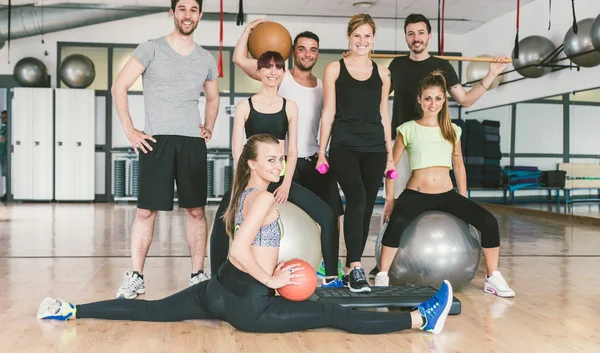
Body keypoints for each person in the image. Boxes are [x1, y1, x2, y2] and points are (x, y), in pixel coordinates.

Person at [37, 134, 454, 337]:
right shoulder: (264, 201)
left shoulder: (244, 192)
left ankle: (69, 310)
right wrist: (273, 281)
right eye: (271, 159)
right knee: (334, 316)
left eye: (281, 157)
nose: (280, 164)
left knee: (152, 311)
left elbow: (236, 255)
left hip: (217, 292)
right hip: (250, 310)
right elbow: (238, 250)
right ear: (253, 164)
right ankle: (421, 318)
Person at [370, 13, 509, 279]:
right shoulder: (396, 66)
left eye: (420, 33)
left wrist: (491, 74)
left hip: (435, 142)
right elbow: (375, 99)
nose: (416, 38)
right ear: (406, 37)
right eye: (410, 33)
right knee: (393, 213)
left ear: (429, 36)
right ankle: (384, 266)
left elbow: (466, 100)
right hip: (406, 142)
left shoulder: (444, 66)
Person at [111, 0, 220, 299]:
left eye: (193, 10)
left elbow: (213, 98)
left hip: (191, 143)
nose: (188, 15)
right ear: (173, 13)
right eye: (182, 9)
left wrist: (209, 126)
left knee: (196, 211)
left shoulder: (205, 58)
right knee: (146, 212)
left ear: (200, 16)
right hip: (155, 141)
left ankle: (198, 275)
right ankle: (135, 277)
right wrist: (130, 130)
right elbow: (119, 86)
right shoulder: (151, 48)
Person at [375, 71, 515, 298]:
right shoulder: (407, 129)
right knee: (396, 224)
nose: (433, 103)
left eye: (438, 98)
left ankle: (493, 276)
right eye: (428, 98)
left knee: (489, 221)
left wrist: (463, 196)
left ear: (444, 100)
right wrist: (389, 199)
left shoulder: (452, 130)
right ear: (419, 99)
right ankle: (383, 275)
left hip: (447, 195)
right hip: (415, 194)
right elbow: (391, 167)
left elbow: (459, 165)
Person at [210, 51, 343, 288]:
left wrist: (285, 183)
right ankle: (215, 281)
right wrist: (248, 185)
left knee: (328, 215)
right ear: (258, 72)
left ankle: (332, 278)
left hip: (278, 179)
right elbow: (238, 151)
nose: (273, 72)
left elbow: (291, 152)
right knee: (222, 222)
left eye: (278, 68)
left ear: (283, 73)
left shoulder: (290, 107)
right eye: (267, 67)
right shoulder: (245, 106)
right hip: (250, 180)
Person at [316, 13, 395, 293]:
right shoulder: (334, 69)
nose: (362, 41)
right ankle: (357, 265)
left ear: (373, 39)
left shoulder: (383, 73)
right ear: (349, 37)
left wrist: (389, 152)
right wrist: (321, 150)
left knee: (364, 207)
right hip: (344, 145)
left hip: (374, 146)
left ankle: (351, 271)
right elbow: (328, 112)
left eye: (367, 36)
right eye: (357, 35)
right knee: (357, 196)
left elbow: (384, 115)